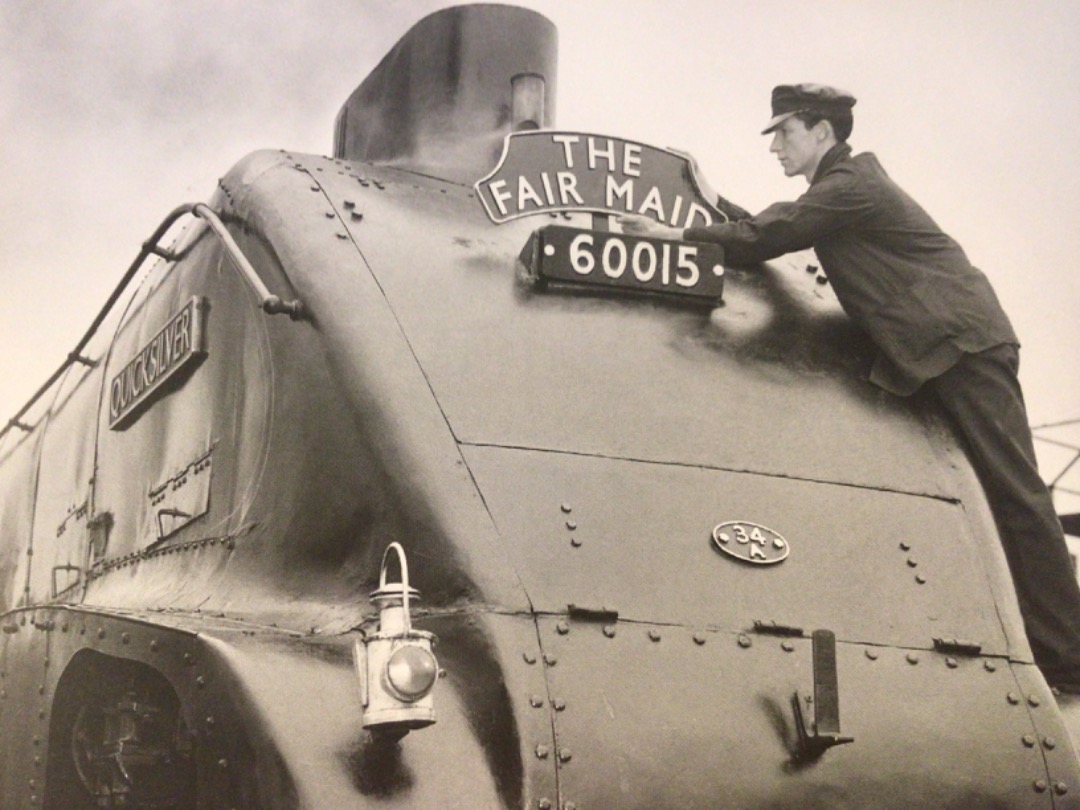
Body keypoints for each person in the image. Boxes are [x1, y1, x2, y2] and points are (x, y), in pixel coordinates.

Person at [620, 83, 1080, 690]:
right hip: (938, 351)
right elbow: (772, 228)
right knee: (1001, 498)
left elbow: (769, 236)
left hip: (962, 346)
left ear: (821, 131)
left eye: (784, 131)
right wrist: (705, 200)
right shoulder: (838, 194)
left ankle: (1068, 657)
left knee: (1017, 497)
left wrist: (674, 237)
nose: (775, 147)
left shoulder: (853, 186)